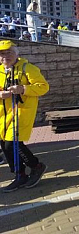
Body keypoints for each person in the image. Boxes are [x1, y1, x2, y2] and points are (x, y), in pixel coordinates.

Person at [0, 40, 49, 191]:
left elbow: (43, 87)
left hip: (22, 111)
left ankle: (36, 166)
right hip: (3, 114)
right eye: (2, 54)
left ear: (16, 54)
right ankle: (19, 174)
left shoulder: (28, 68)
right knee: (4, 143)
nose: (5, 57)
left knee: (12, 143)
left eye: (9, 53)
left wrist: (23, 89)